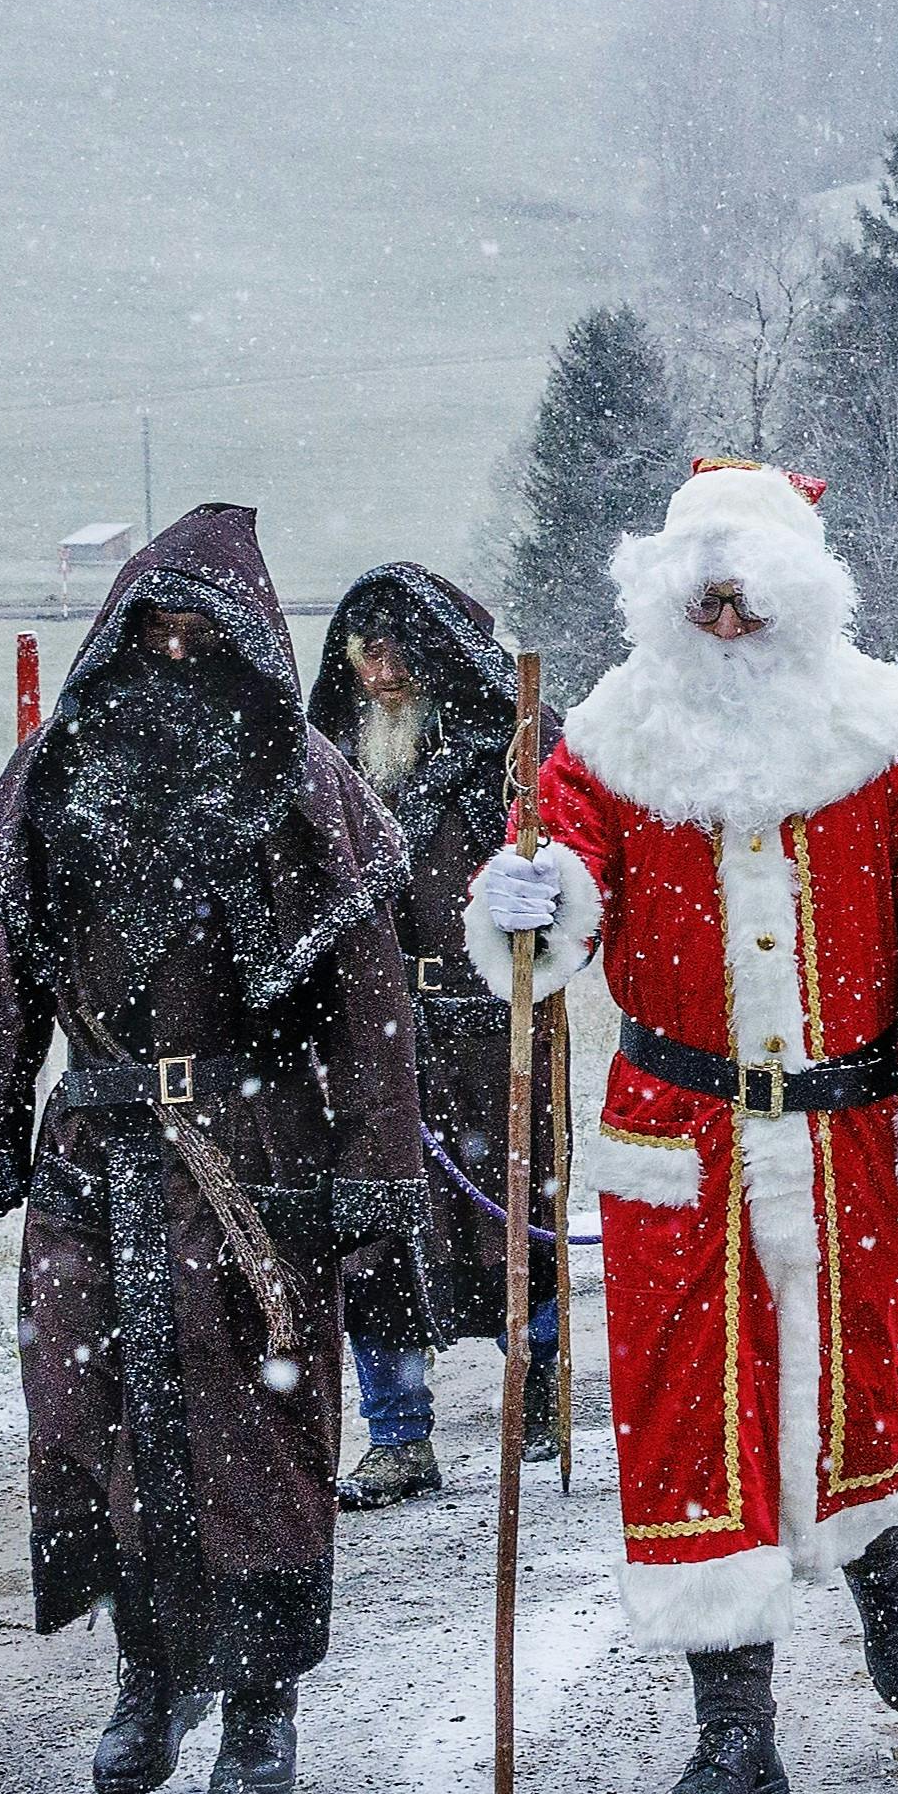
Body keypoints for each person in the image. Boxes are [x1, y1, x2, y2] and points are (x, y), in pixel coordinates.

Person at [469, 461, 898, 1794]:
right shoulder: (604, 741)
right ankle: (735, 1736)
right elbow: (560, 916)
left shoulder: (882, 735)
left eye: (748, 596)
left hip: (847, 1133)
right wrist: (532, 900)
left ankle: (879, 1558)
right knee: (688, 1426)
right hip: (683, 1138)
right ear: (670, 595)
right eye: (703, 596)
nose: (726, 622)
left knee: (866, 1381)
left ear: (797, 596)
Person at [0, 508, 430, 1794]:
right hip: (92, 1158)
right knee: (96, 1425)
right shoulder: (57, 779)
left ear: (251, 646)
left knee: (253, 1432)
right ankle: (149, 1670)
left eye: (207, 635)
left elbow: (371, 1009)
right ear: (121, 635)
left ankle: (260, 1697)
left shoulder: (304, 789)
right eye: (157, 629)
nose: (178, 651)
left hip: (248, 1160)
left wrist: (372, 1181)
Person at [309, 561, 564, 1502]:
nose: (380, 673)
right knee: (377, 1229)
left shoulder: (511, 746)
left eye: (395, 652)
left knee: (512, 1212)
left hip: (492, 1016)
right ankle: (399, 1435)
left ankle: (536, 1386)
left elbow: (570, 860)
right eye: (363, 653)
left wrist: (549, 905)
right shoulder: (331, 757)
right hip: (373, 1033)